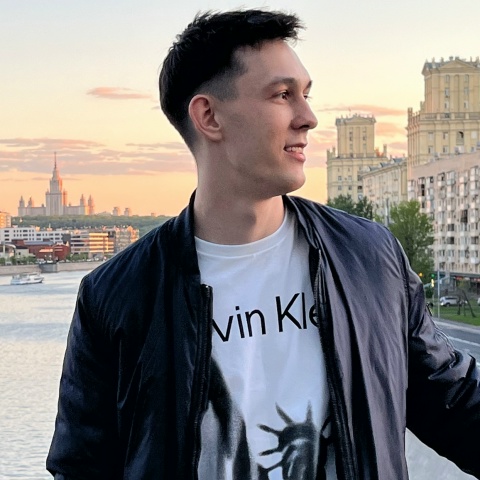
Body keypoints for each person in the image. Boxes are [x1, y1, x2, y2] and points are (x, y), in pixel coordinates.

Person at [47, 9, 480, 480]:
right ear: (209, 116)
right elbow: (83, 468)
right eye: (282, 95)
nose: (308, 118)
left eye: (306, 94)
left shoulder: (369, 257)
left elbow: (454, 402)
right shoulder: (117, 296)